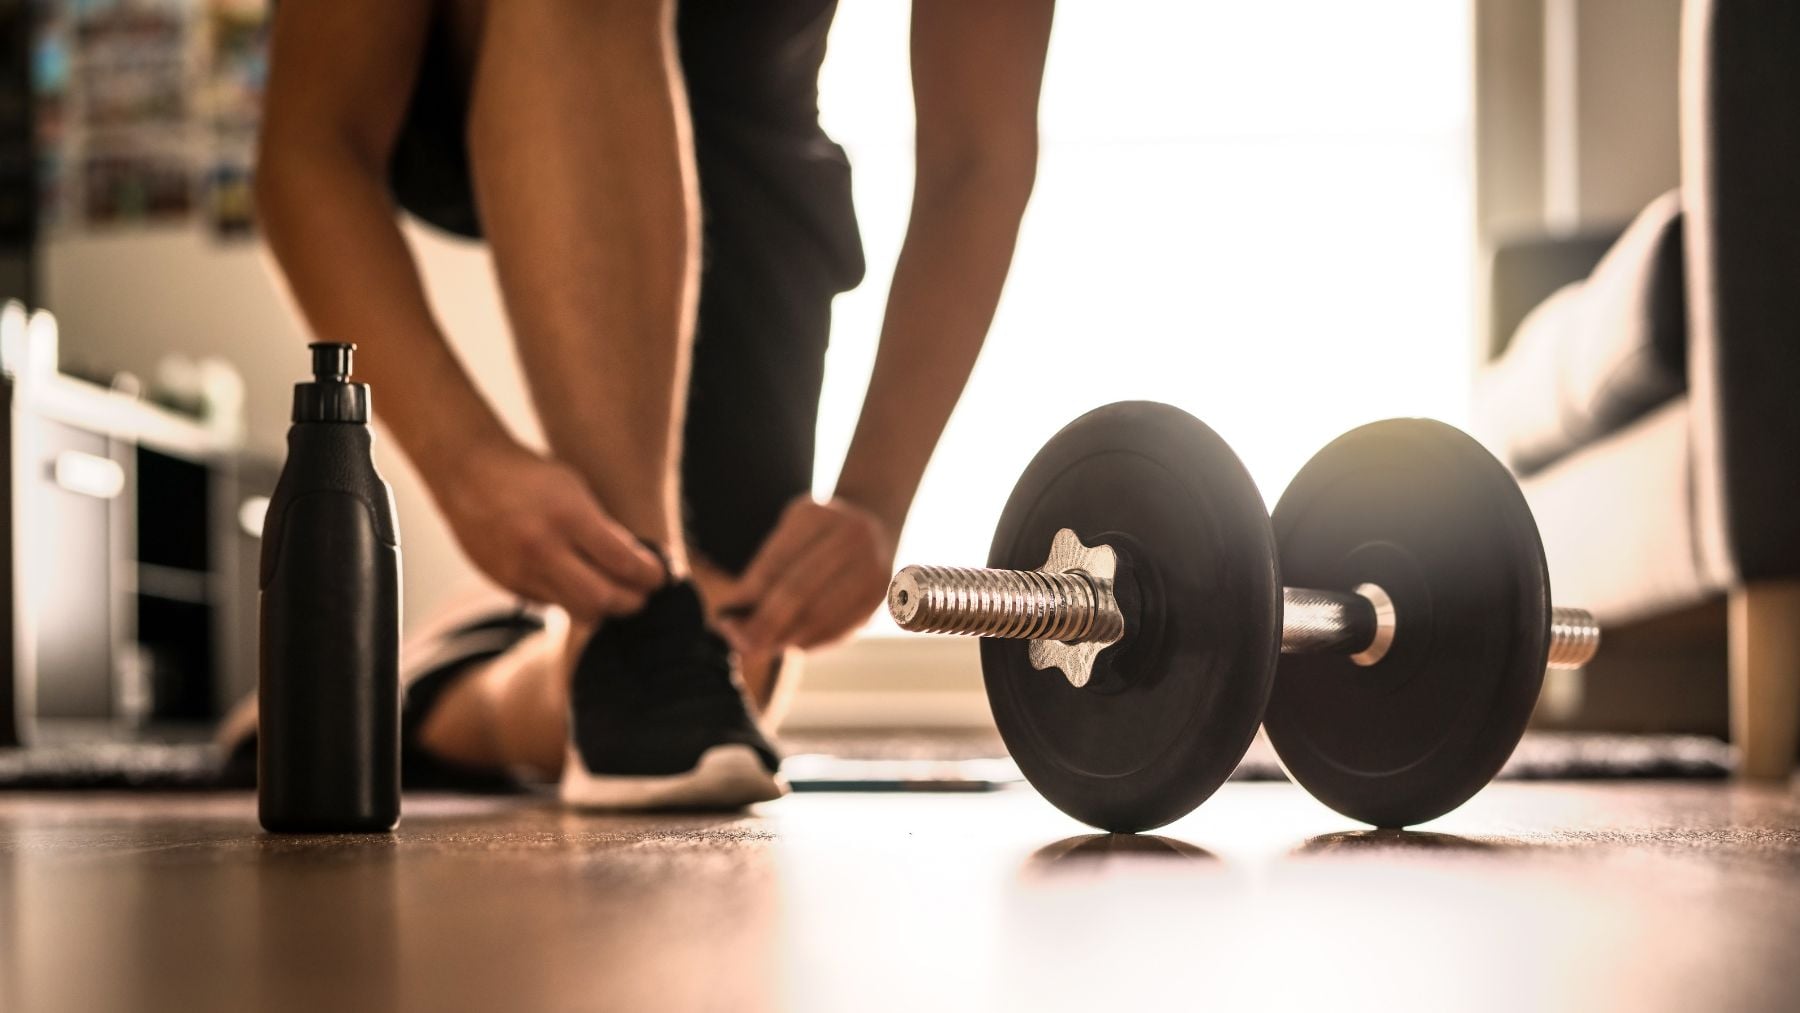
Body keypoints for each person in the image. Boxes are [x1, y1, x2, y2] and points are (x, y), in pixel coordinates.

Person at [244, 0, 1054, 807]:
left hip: (743, 122)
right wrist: (467, 465)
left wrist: (876, 500)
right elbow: (312, 143)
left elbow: (977, 153)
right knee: (656, 681)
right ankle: (637, 618)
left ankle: (442, 682)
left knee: (734, 655)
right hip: (475, 54)